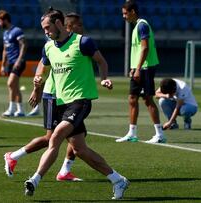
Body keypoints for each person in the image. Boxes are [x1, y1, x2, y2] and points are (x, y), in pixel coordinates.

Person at [24, 8, 129, 200]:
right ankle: (118, 179)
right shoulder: (49, 47)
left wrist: (104, 78)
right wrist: (38, 80)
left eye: (47, 27)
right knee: (80, 150)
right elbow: (43, 65)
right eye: (43, 29)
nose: (45, 32)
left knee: (55, 137)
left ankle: (35, 179)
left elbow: (101, 61)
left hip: (80, 101)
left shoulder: (83, 42)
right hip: (61, 102)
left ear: (58, 24)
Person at [4, 13, 86, 182]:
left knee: (79, 135)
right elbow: (42, 65)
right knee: (52, 138)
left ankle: (64, 170)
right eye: (78, 25)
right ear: (68, 26)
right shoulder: (53, 44)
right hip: (54, 95)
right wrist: (37, 89)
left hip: (70, 96)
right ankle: (14, 156)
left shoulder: (75, 43)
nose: (81, 28)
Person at [116, 1, 166, 143]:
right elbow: (139, 49)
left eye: (125, 13)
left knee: (148, 99)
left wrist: (137, 69)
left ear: (133, 12)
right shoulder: (136, 26)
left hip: (146, 68)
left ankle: (160, 134)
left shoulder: (142, 25)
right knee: (132, 98)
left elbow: (145, 48)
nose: (124, 17)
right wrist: (133, 68)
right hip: (139, 68)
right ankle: (132, 133)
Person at [0, 10, 27, 117]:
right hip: (10, 62)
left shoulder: (17, 31)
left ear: (5, 20)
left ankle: (11, 109)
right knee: (14, 86)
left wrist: (19, 60)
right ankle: (21, 110)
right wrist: (3, 65)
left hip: (18, 62)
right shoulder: (5, 33)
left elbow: (23, 45)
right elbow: (5, 49)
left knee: (10, 84)